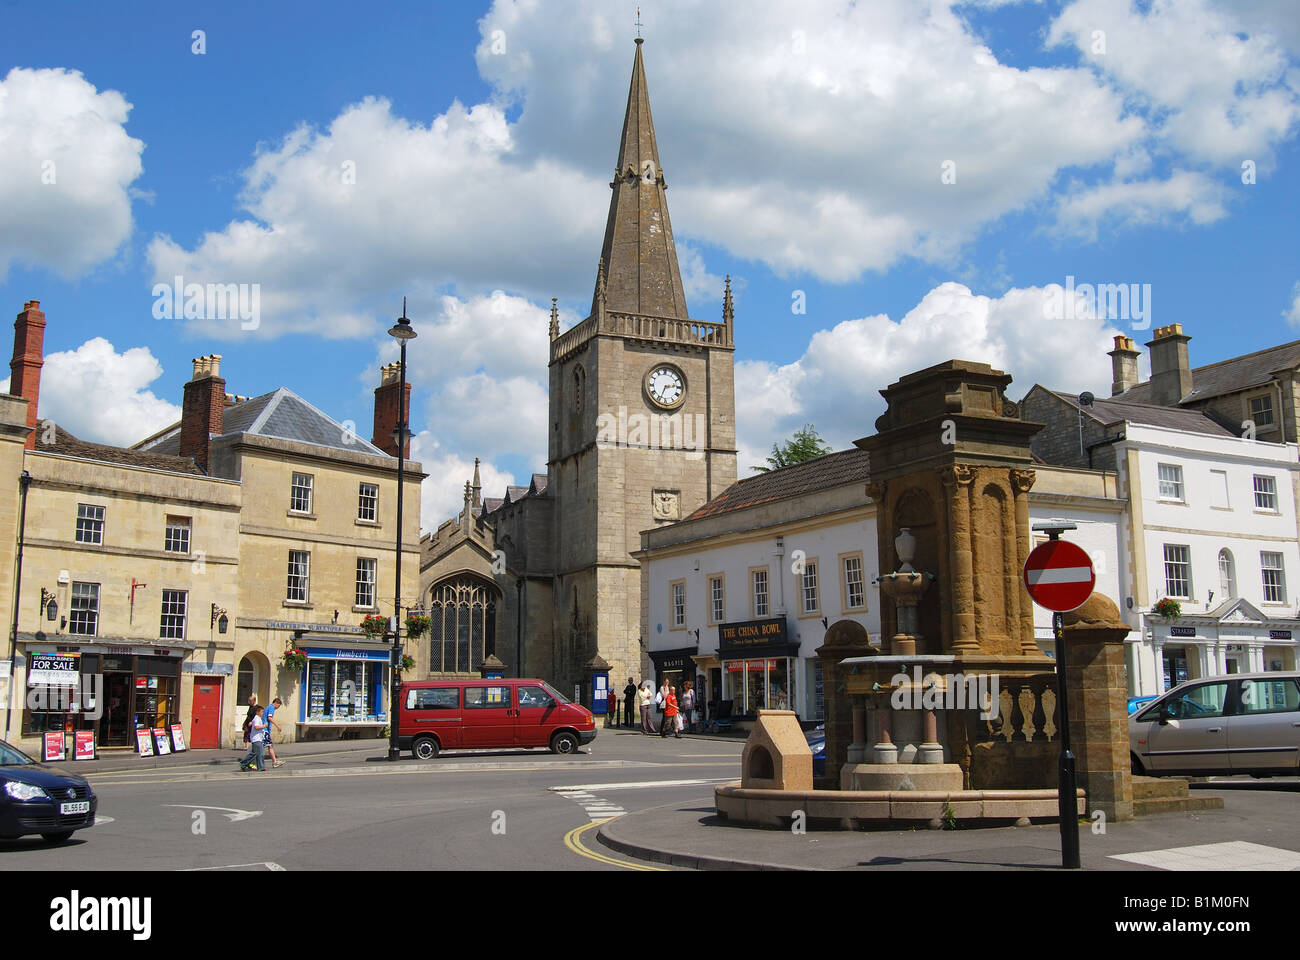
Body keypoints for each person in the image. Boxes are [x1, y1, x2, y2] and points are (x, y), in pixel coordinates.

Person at [238, 706, 267, 771]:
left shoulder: (257, 718)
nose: (263, 713)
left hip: (258, 738)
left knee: (257, 753)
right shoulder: (257, 718)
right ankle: (244, 763)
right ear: (257, 712)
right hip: (256, 739)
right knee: (257, 753)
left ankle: (258, 766)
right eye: (262, 712)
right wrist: (264, 726)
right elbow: (256, 727)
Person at [263, 697, 286, 767]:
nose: (278, 708)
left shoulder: (268, 707)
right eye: (278, 706)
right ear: (276, 703)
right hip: (265, 730)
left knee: (268, 746)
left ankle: (274, 761)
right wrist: (277, 726)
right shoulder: (271, 708)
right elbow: (269, 718)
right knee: (269, 746)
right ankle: (274, 762)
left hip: (264, 729)